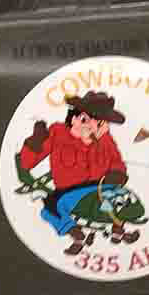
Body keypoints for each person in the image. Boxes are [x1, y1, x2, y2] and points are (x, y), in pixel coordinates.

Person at [20, 91, 140, 255]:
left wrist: (117, 174)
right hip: (69, 193)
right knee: (49, 210)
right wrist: (35, 142)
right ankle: (78, 236)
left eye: (98, 122)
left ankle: (118, 231)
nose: (91, 126)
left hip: (99, 187)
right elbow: (27, 163)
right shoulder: (57, 133)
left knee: (120, 197)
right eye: (85, 119)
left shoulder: (105, 140)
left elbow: (117, 163)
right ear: (73, 118)